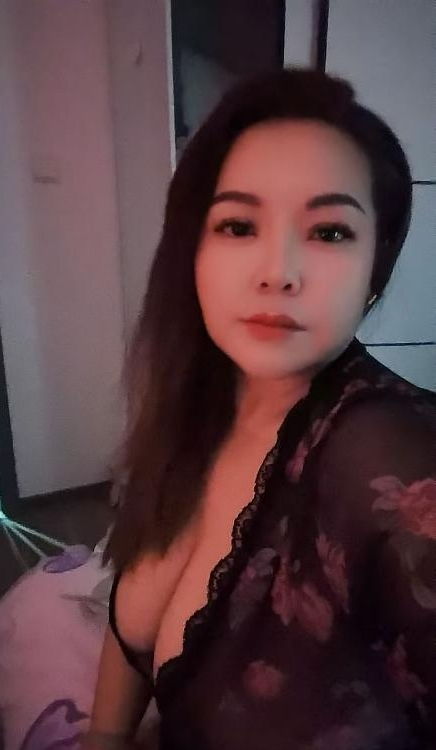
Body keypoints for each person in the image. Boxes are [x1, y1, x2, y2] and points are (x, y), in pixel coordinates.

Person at [82, 68, 435, 750]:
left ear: (375, 269)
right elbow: (130, 642)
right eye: (239, 225)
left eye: (329, 233)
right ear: (192, 251)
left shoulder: (389, 458)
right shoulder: (197, 404)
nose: (278, 271)